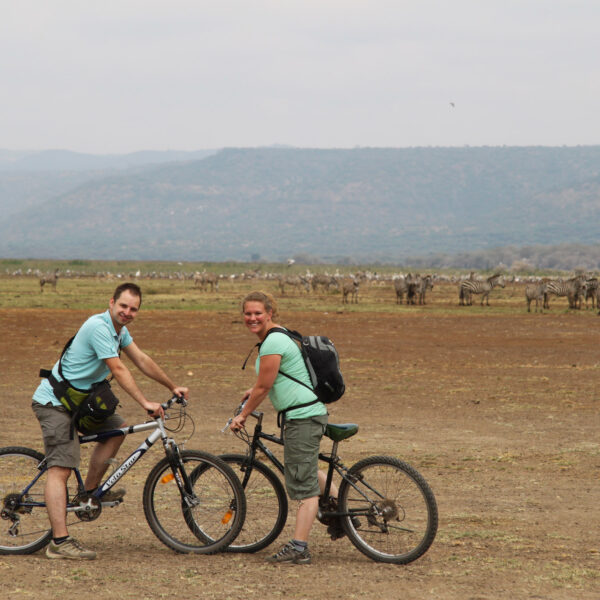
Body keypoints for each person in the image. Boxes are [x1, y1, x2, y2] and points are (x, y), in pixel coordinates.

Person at [32, 282, 189, 561]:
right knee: (62, 469)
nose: (127, 312)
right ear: (111, 303)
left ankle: (89, 493)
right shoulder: (99, 327)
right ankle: (59, 542)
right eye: (123, 306)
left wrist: (171, 386)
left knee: (116, 431)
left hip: (80, 404)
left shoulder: (120, 331)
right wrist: (145, 403)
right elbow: (118, 367)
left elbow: (141, 359)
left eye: (133, 309)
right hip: (55, 403)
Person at [230, 291, 333, 565]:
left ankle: (299, 548)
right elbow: (276, 377)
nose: (252, 318)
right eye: (248, 314)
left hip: (303, 417)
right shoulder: (280, 335)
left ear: (269, 313)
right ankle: (343, 510)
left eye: (257, 313)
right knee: (304, 468)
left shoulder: (273, 340)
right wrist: (252, 390)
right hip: (306, 414)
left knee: (304, 486)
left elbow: (265, 386)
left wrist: (243, 415)